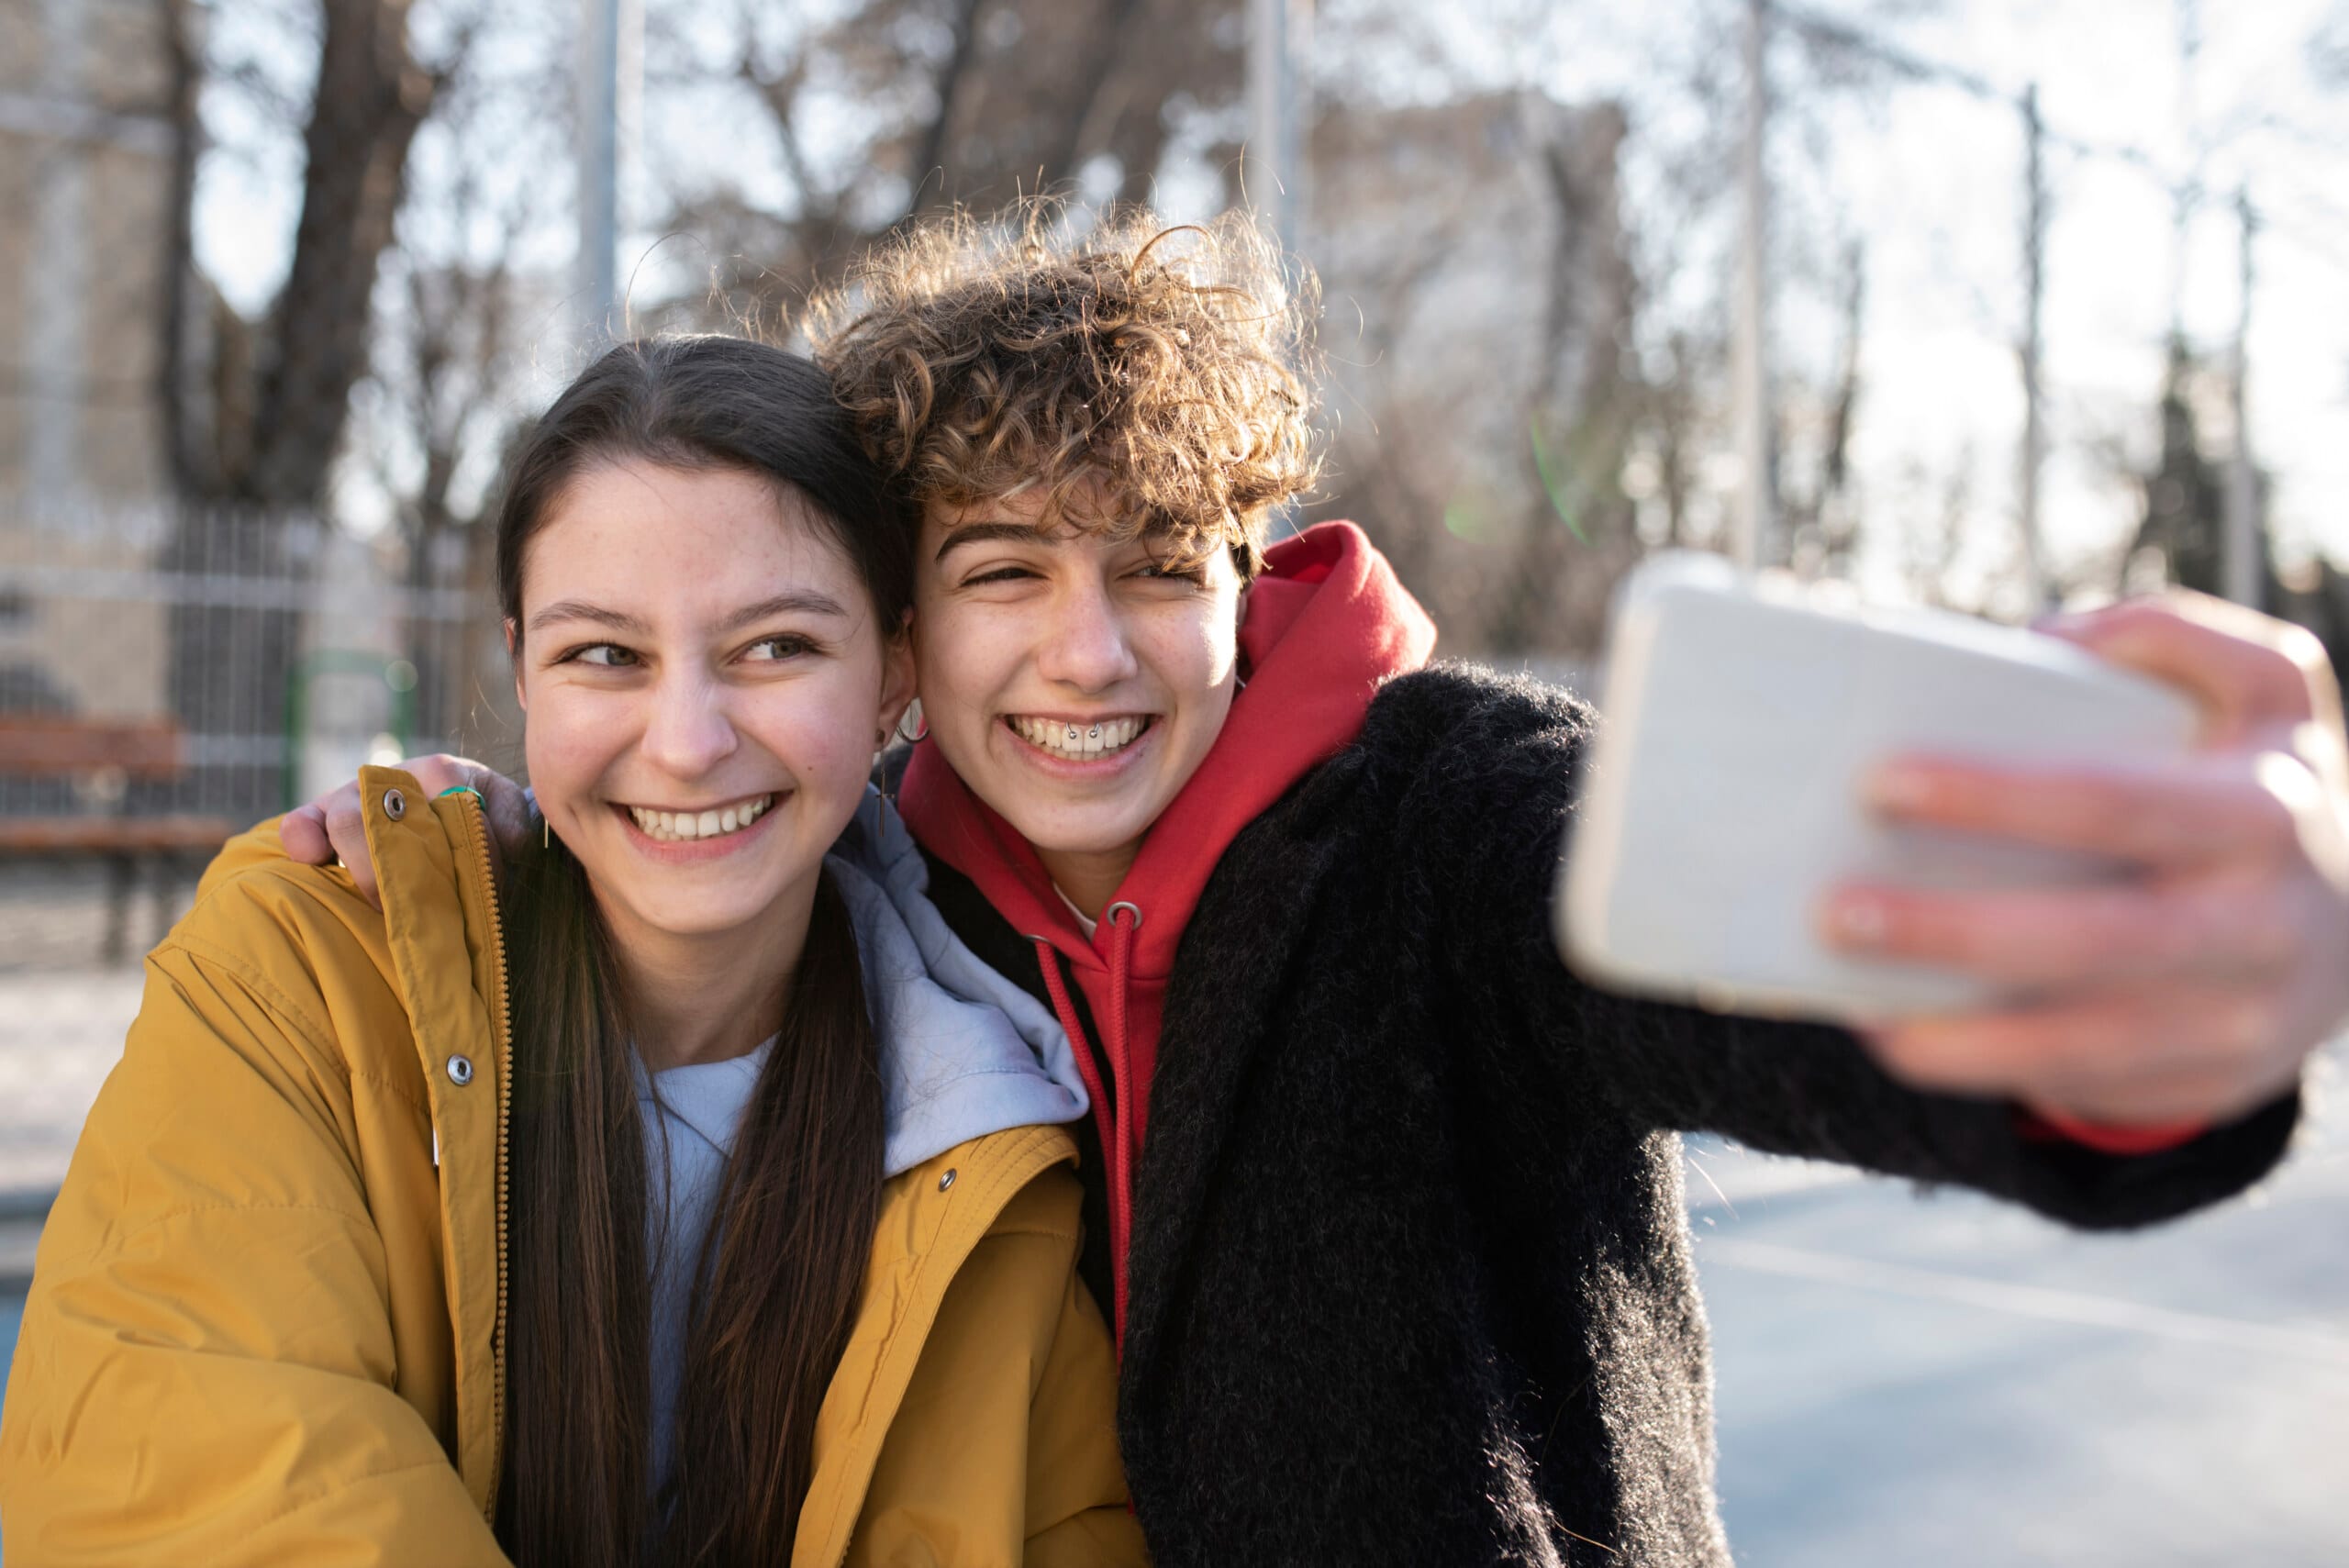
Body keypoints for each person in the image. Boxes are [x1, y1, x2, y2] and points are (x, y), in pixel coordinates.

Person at [277, 209, 2346, 1567]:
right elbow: (688, 817)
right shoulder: (885, 886)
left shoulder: (1447, 817)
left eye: (1155, 566)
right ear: (909, 622)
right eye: (1006, 573)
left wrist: (2115, 1023)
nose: (1087, 654)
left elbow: (1724, 981)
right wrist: (502, 849)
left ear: (1241, 580)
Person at [0, 338, 1147, 1568]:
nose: (688, 740)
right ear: (522, 674)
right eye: (605, 654)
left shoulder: (995, 1138)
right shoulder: (301, 976)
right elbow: (196, 1480)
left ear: (893, 679)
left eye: (777, 647)